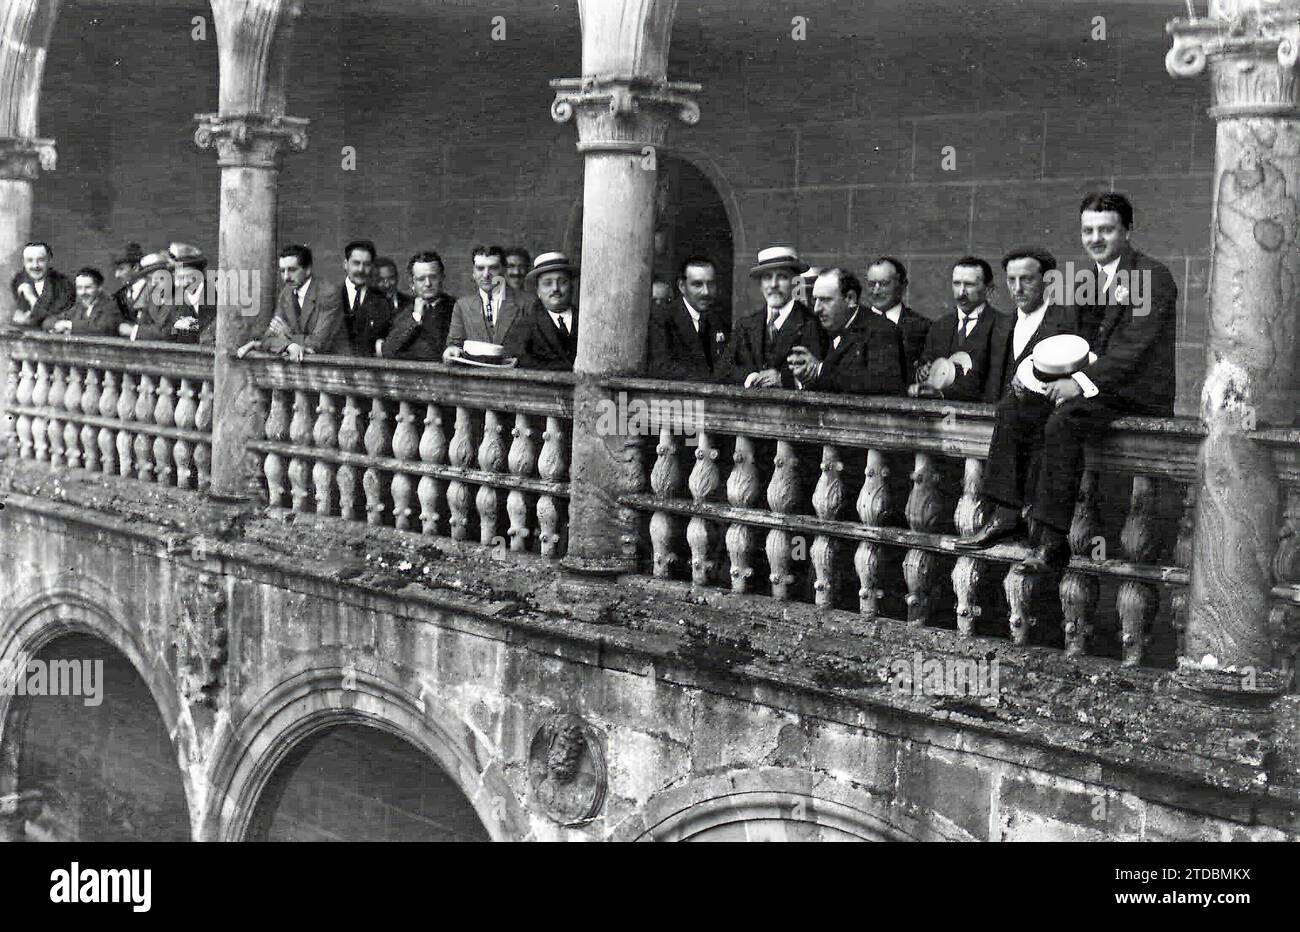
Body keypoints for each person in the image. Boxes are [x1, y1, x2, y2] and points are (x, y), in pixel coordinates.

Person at [955, 192, 1177, 573]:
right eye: (1088, 230)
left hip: (1135, 392)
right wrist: (1036, 378)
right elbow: (1071, 339)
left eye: (1106, 230)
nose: (1095, 238)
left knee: (1064, 421)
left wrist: (1081, 382)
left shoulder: (1150, 276)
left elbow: (1132, 349)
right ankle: (1006, 513)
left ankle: (1050, 539)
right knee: (1014, 405)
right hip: (1098, 386)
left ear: (1128, 231)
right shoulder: (1087, 278)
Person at [787, 268, 905, 395]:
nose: (817, 309)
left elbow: (884, 384)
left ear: (850, 298)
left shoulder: (881, 330)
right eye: (815, 300)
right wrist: (801, 375)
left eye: (825, 300)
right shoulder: (816, 328)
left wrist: (820, 370)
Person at [722, 245, 825, 388]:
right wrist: (751, 377)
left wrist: (784, 379)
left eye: (782, 277)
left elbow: (822, 376)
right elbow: (723, 369)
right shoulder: (745, 325)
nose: (773, 285)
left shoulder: (812, 324)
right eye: (767, 277)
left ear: (795, 282)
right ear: (760, 284)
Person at [914, 256, 1012, 403]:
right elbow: (925, 365)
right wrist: (923, 374)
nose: (961, 292)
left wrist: (944, 393)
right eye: (956, 284)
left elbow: (994, 386)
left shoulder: (1004, 326)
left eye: (969, 284)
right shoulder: (939, 326)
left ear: (989, 288)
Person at [239, 244, 342, 361]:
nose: (286, 277)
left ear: (308, 270)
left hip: (337, 367)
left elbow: (318, 344)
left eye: (292, 270)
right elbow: (268, 339)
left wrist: (288, 336)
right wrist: (290, 345)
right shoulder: (286, 293)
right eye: (282, 271)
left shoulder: (328, 293)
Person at [443, 244, 531, 361]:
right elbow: (454, 344)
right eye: (480, 268)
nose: (486, 275)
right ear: (473, 273)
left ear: (504, 270)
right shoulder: (462, 306)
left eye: (493, 268)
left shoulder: (528, 302)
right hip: (475, 376)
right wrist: (451, 350)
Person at [647, 255, 728, 380]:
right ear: (682, 286)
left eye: (710, 284)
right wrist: (710, 378)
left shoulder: (718, 319)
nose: (706, 292)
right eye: (697, 285)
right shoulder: (663, 319)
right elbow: (661, 367)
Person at [508, 252, 579, 370]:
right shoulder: (526, 323)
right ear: (538, 290)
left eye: (562, 282)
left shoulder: (586, 320)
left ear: (572, 286)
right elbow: (521, 362)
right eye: (548, 283)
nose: (555, 289)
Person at [863, 256, 930, 380]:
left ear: (903, 286)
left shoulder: (923, 327)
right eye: (872, 284)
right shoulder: (854, 323)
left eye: (884, 284)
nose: (876, 291)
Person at [381, 251, 455, 361]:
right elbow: (388, 350)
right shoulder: (403, 311)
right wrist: (416, 318)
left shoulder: (457, 308)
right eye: (421, 279)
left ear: (442, 278)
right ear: (412, 284)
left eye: (433, 277)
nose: (428, 283)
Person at [335, 239, 392, 357]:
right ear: (345, 264)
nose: (361, 270)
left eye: (366, 264)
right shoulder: (330, 295)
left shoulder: (383, 301)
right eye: (356, 263)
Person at [41, 267, 123, 336]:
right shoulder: (79, 306)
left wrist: (69, 325)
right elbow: (48, 322)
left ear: (99, 288)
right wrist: (57, 326)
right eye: (79, 288)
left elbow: (104, 328)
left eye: (88, 287)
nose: (83, 292)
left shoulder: (110, 305)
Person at [10, 242, 74, 329]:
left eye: (40, 260)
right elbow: (16, 316)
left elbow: (52, 318)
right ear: (24, 263)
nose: (35, 265)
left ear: (50, 261)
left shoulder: (64, 285)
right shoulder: (18, 281)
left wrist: (31, 297)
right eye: (29, 260)